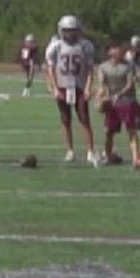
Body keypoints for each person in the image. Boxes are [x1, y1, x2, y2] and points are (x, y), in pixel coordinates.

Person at [46, 14, 100, 166]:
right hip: (63, 86)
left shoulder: (85, 45)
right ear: (61, 30)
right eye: (67, 30)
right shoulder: (55, 46)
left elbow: (90, 69)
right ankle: (69, 150)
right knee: (65, 119)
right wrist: (54, 88)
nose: (70, 33)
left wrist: (89, 86)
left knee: (85, 119)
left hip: (80, 85)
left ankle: (90, 151)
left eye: (73, 30)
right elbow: (50, 69)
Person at [98, 42, 140, 166]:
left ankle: (135, 159)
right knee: (109, 131)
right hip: (112, 104)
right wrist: (100, 97)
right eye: (115, 49)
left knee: (132, 130)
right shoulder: (103, 67)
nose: (119, 51)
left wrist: (119, 95)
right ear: (109, 52)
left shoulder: (129, 65)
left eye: (120, 49)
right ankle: (107, 156)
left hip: (128, 102)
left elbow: (130, 84)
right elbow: (102, 85)